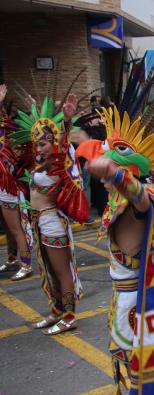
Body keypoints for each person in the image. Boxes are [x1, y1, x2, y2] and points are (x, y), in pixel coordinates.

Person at [78, 106, 154, 395]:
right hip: (124, 298)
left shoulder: (142, 197)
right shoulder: (119, 199)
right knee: (131, 370)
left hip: (137, 304)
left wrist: (118, 177)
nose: (101, 156)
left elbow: (139, 197)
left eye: (111, 154)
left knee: (141, 375)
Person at [11, 94, 89, 335]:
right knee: (49, 271)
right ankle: (56, 311)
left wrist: (66, 120)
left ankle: (68, 316)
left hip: (52, 222)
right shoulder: (42, 162)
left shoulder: (60, 161)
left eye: (44, 143)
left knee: (61, 271)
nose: (39, 148)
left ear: (54, 142)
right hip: (39, 223)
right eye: (37, 143)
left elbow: (65, 146)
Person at [0, 84, 33, 281]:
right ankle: (12, 258)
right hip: (2, 187)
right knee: (7, 226)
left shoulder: (9, 137)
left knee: (15, 227)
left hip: (8, 187)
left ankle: (26, 264)